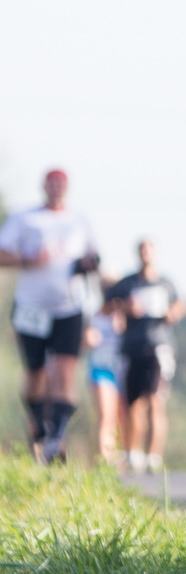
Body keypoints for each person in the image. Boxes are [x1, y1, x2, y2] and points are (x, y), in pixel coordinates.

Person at [0, 169, 98, 464]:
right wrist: (28, 259)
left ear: (66, 188)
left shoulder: (79, 221)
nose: (56, 189)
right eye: (51, 184)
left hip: (69, 308)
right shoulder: (24, 218)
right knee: (36, 373)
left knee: (66, 372)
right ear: (44, 187)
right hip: (31, 308)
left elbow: (95, 260)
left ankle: (56, 438)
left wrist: (87, 264)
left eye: (61, 185)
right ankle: (38, 426)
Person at [105, 240, 185, 473]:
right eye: (142, 250)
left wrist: (174, 312)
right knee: (134, 404)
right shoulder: (128, 283)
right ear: (138, 253)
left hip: (159, 347)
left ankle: (154, 456)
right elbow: (106, 305)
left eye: (149, 250)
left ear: (155, 253)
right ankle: (134, 453)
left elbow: (180, 304)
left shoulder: (165, 283)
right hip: (132, 348)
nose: (146, 254)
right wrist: (124, 308)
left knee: (156, 400)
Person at [82, 295, 126, 468]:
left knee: (121, 417)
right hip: (101, 369)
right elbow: (82, 342)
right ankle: (105, 462)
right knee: (106, 415)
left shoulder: (124, 317)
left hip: (122, 371)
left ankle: (120, 456)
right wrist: (88, 338)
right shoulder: (93, 317)